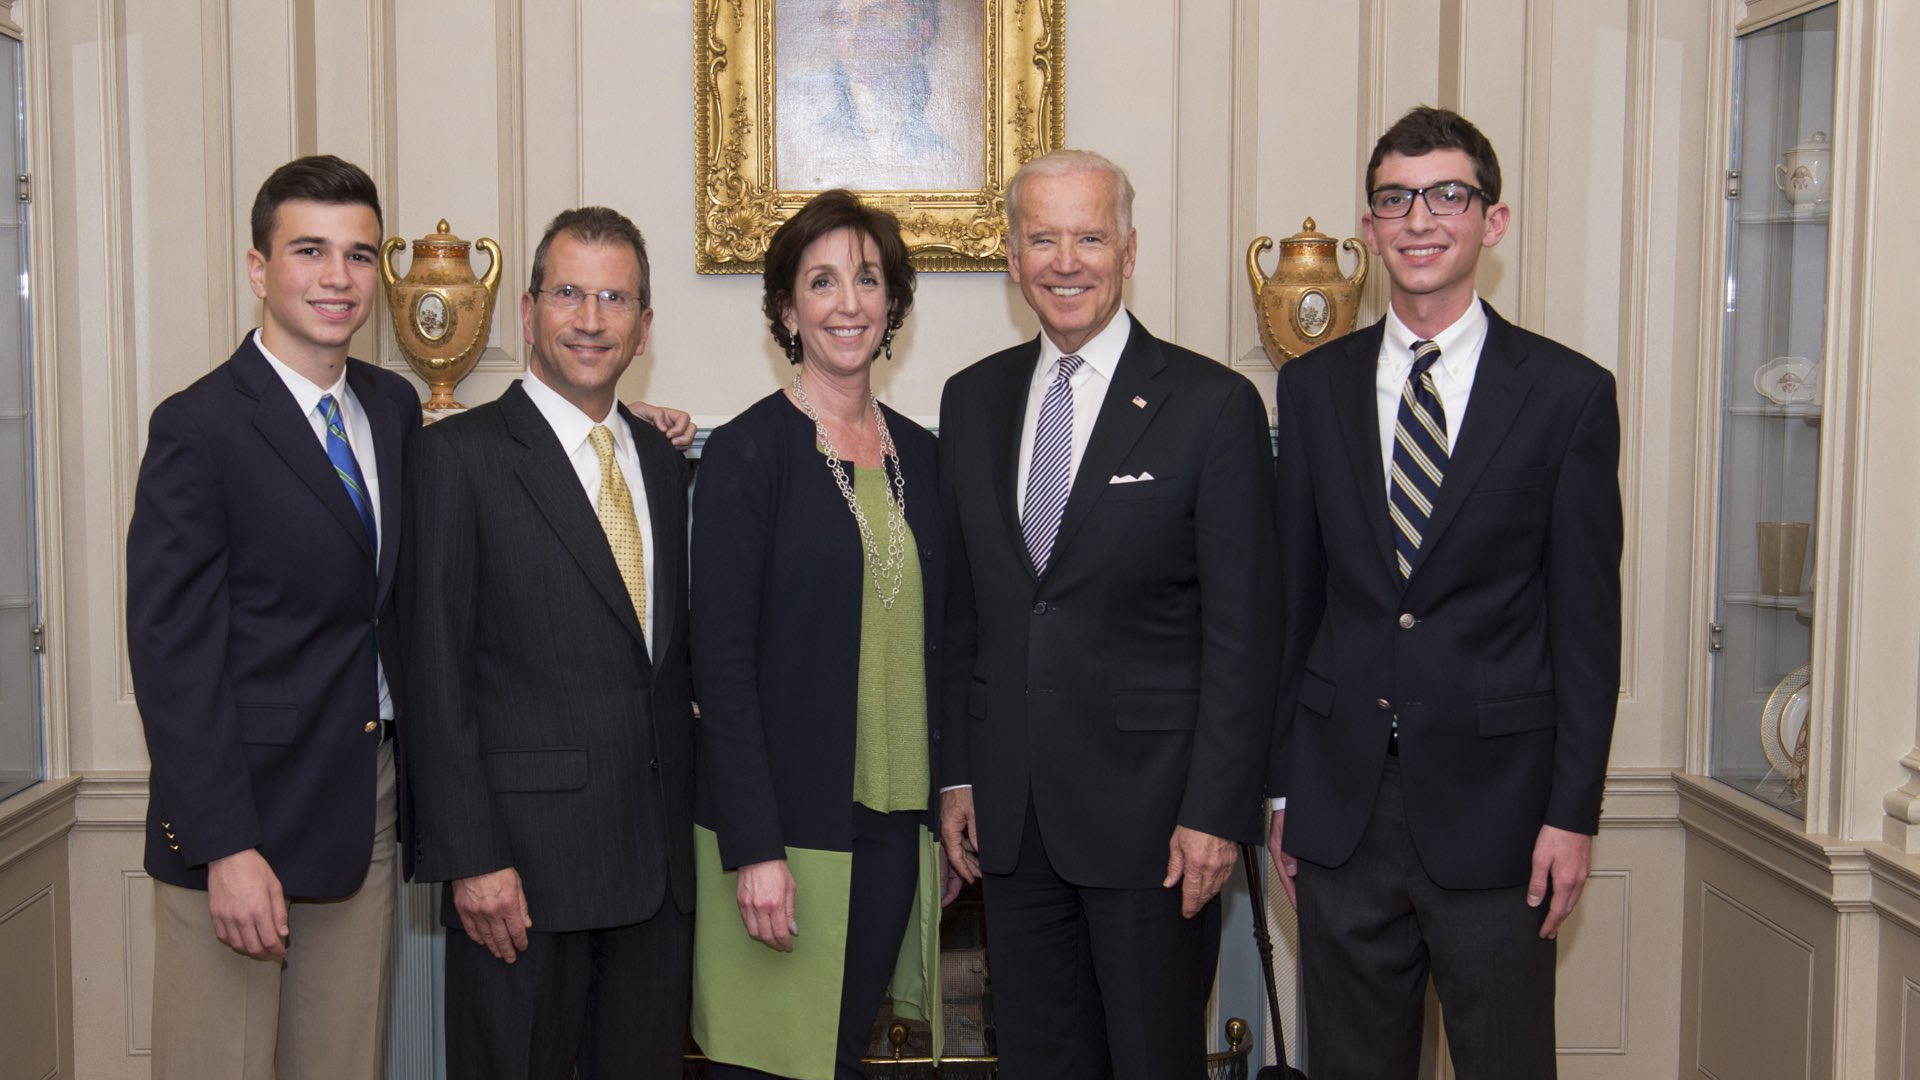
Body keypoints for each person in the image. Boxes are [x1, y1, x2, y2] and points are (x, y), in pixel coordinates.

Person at [1266, 106, 1623, 1079]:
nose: (1419, 220)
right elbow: (1295, 602)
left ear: (1491, 221)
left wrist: (1573, 812)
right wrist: (1283, 789)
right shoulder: (1313, 389)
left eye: (1446, 196)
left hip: (1503, 818)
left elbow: (1588, 629)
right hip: (1343, 816)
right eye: (1395, 200)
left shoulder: (1567, 395)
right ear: (1371, 227)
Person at [937, 149, 1281, 1078]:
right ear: (1010, 257)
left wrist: (1217, 812)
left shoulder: (1213, 407)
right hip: (1012, 826)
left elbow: (1245, 638)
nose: (1066, 260)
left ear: (1129, 249)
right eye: (1042, 238)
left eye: (1089, 236)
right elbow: (965, 614)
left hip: (1156, 825)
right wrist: (959, 775)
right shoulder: (971, 402)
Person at [126, 154, 418, 1080]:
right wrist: (225, 846)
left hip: (362, 809)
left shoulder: (393, 405)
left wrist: (614, 418)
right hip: (239, 819)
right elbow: (171, 654)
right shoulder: (198, 427)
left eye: (360, 255)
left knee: (342, 1062)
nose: (339, 278)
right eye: (311, 251)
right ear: (260, 269)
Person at [399, 205, 695, 1078]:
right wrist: (472, 858)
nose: (591, 318)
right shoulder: (458, 458)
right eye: (569, 293)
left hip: (653, 876)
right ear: (528, 312)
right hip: (519, 879)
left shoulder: (664, 462)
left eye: (615, 298)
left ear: (643, 328)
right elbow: (433, 672)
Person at [690, 188, 955, 1079]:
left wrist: (948, 808)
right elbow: (720, 667)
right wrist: (754, 848)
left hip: (893, 823)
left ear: (892, 308)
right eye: (823, 281)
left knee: (842, 1057)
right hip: (784, 827)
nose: (849, 302)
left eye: (868, 280)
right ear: (786, 309)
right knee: (766, 1064)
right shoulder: (747, 455)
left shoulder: (926, 456)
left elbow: (950, 645)